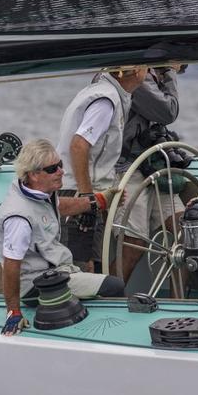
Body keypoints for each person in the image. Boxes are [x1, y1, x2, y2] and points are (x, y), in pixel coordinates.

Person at [0, 139, 125, 336]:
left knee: (92, 275)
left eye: (60, 165)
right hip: (36, 286)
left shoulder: (39, 192)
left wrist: (97, 201)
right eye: (53, 168)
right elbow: (11, 265)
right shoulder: (19, 219)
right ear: (34, 174)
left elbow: (59, 206)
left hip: (55, 271)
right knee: (114, 286)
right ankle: (112, 334)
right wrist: (13, 311)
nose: (61, 171)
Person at [56, 66, 147, 274]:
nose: (148, 71)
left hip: (82, 190)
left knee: (89, 265)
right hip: (81, 193)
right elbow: (78, 145)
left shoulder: (102, 92)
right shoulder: (106, 101)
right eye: (146, 67)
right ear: (134, 71)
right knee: (83, 269)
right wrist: (88, 199)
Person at [113, 65, 185, 285]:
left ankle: (178, 303)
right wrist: (171, 71)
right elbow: (167, 111)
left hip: (152, 164)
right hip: (129, 168)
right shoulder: (134, 75)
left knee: (183, 231)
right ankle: (109, 298)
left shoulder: (151, 74)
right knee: (135, 244)